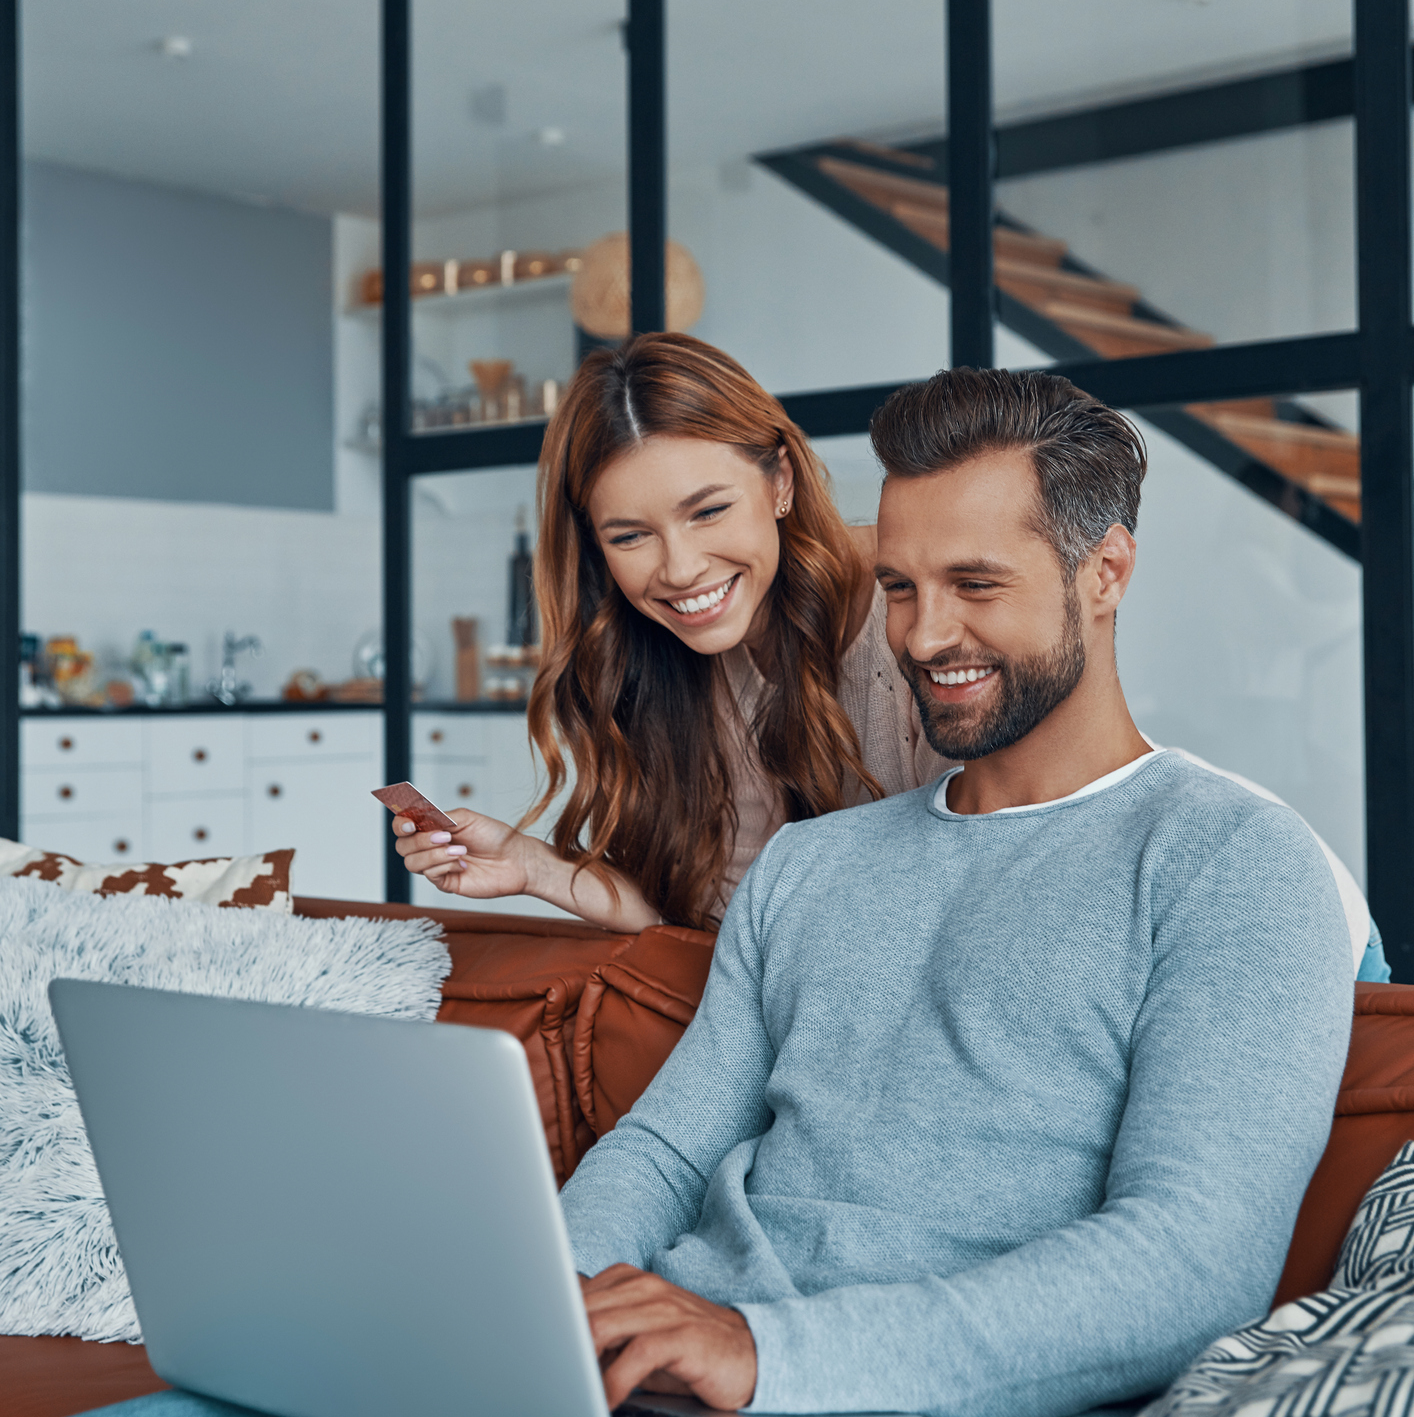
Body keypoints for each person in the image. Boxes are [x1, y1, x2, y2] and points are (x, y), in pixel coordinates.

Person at [0, 368, 1356, 1417]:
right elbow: (662, 1145)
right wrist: (530, 1321)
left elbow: (1190, 1265)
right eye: (897, 585)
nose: (925, 631)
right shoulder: (820, 870)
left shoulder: (1231, 861)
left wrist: (767, 1350)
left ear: (1104, 573)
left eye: (977, 586)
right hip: (665, 1388)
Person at [390, 333, 1388, 979]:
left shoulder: (906, 621)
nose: (680, 566)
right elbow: (723, 923)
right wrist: (539, 869)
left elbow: (1006, 879)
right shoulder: (672, 669)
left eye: (708, 510)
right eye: (630, 534)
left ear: (779, 478)